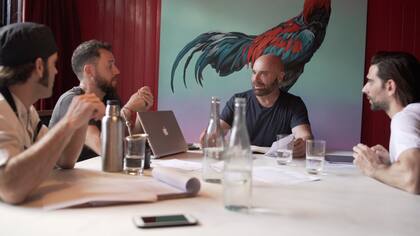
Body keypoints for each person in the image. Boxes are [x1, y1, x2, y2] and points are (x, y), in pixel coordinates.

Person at [0, 23, 105, 204]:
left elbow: (64, 160)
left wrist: (81, 119)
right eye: (54, 63)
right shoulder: (1, 107)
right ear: (40, 67)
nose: (56, 71)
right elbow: (11, 188)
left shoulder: (26, 109)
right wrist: (69, 122)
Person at [49, 40, 153, 161]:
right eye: (110, 66)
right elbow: (104, 149)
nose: (117, 71)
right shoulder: (72, 101)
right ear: (89, 71)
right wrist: (127, 110)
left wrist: (141, 112)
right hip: (72, 178)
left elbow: (126, 145)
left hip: (101, 174)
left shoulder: (110, 97)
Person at [201, 54, 313, 157]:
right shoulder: (238, 100)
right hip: (241, 164)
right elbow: (219, 130)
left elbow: (304, 136)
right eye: (254, 72)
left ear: (280, 77)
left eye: (264, 73)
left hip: (277, 169)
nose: (256, 79)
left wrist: (303, 144)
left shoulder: (294, 104)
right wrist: (211, 137)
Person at [353, 51, 420, 194]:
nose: (364, 89)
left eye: (371, 81)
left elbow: (412, 179)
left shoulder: (404, 119)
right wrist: (392, 162)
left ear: (390, 86)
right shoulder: (415, 113)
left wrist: (374, 168)